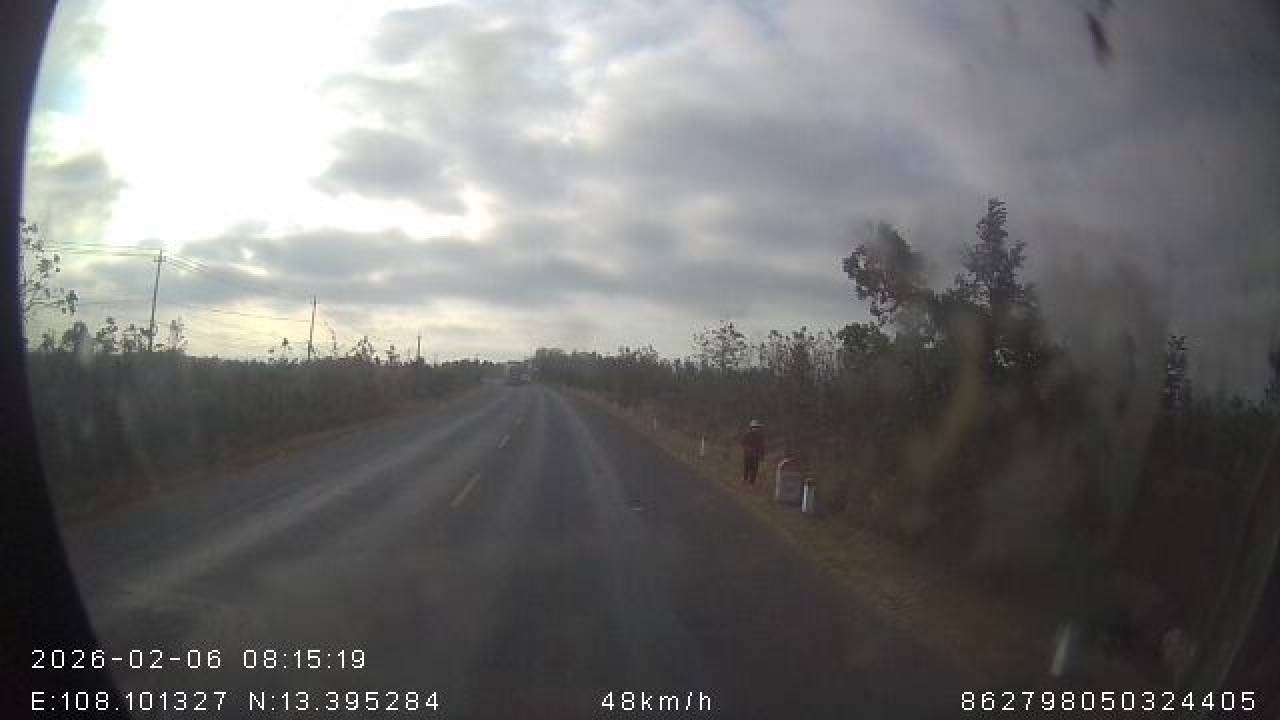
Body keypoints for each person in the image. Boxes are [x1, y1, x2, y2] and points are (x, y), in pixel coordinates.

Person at [741, 419, 765, 485]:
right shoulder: (747, 434)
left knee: (754, 470)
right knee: (747, 469)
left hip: (756, 456)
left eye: (757, 427)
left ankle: (751, 483)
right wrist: (748, 450)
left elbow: (762, 446)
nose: (756, 428)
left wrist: (762, 455)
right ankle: (745, 481)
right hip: (748, 456)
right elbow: (743, 443)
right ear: (751, 427)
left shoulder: (760, 436)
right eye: (755, 427)